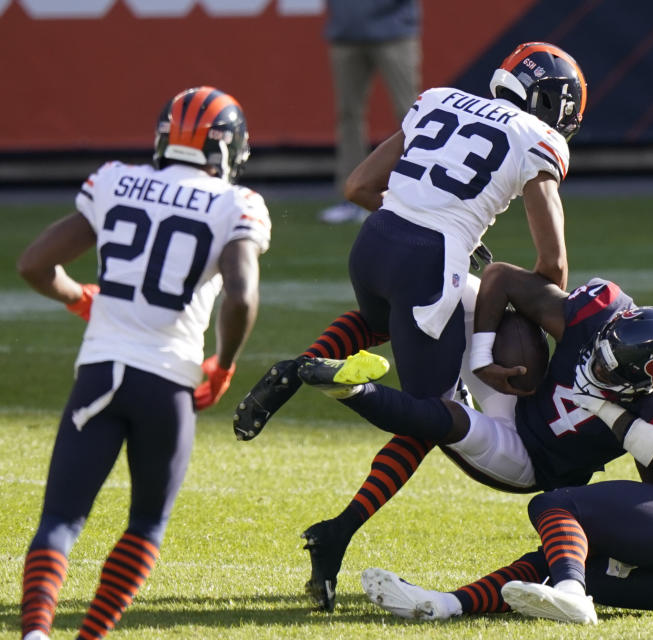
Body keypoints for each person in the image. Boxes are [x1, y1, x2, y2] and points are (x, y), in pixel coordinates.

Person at [233, 41, 587, 610]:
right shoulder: (537, 139)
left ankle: (297, 367)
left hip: (374, 246)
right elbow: (554, 266)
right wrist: (540, 318)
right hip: (430, 262)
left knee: (384, 324)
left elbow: (358, 188)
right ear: (550, 102)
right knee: (429, 418)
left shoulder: (440, 99)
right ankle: (337, 529)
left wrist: (427, 224)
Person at [359, 286, 653, 624]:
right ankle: (445, 605)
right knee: (557, 556)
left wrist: (604, 406)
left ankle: (572, 593)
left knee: (557, 504)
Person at [16, 86, 270, 640]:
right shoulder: (237, 203)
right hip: (169, 380)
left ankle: (35, 632)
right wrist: (224, 366)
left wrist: (83, 297)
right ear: (229, 149)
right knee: (147, 525)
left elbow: (36, 264)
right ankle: (91, 635)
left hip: (100, 372)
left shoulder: (112, 179)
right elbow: (242, 297)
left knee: (61, 519)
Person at [293, 261, 653, 608]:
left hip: (529, 458)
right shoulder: (597, 315)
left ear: (646, 385)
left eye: (611, 373)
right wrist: (484, 357)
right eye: (599, 356)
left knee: (443, 416)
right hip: (518, 394)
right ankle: (306, 367)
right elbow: (500, 275)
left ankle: (353, 390)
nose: (597, 369)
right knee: (449, 289)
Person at [318, 0, 422, 224]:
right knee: (348, 116)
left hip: (394, 31)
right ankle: (352, 196)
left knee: (413, 115)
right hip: (346, 33)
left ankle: (420, 192)